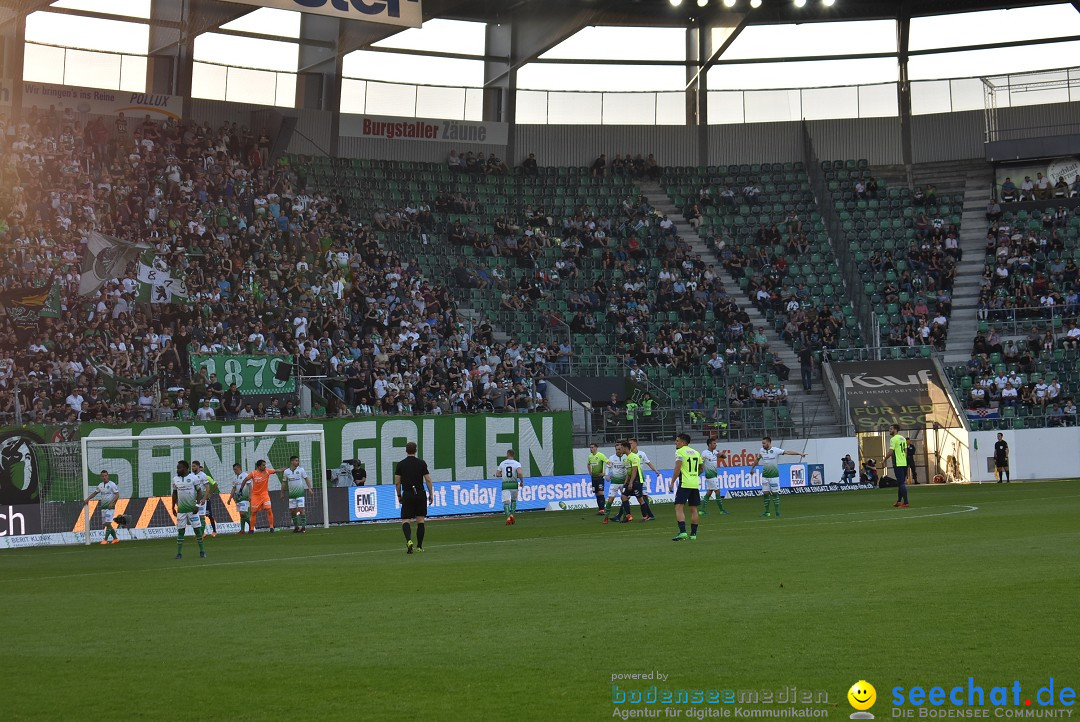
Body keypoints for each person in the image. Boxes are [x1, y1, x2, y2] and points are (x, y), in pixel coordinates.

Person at [750, 436, 806, 518]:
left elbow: (787, 452)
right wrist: (752, 468)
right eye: (762, 443)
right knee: (765, 493)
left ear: (769, 443)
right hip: (765, 476)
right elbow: (757, 459)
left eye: (764, 443)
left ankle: (777, 512)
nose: (763, 444)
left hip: (774, 476)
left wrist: (799, 453)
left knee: (775, 494)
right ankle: (767, 512)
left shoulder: (775, 450)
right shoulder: (761, 451)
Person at [395, 441, 434, 554]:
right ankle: (419, 546)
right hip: (420, 494)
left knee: (405, 520)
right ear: (416, 450)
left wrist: (399, 495)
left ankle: (409, 540)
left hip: (408, 493)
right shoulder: (421, 463)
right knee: (420, 520)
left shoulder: (401, 464)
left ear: (406, 450)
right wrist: (431, 493)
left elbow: (397, 482)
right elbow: (428, 479)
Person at [171, 460, 207, 559]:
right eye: (177, 468)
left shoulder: (193, 478)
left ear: (185, 468)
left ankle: (202, 551)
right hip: (181, 510)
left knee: (197, 530)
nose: (178, 469)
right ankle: (179, 553)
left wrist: (197, 505)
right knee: (181, 531)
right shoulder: (175, 479)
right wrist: (173, 506)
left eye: (180, 468)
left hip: (192, 509)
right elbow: (174, 494)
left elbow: (199, 492)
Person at [670, 434, 703, 541]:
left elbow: (677, 468)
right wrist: (694, 475)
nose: (676, 443)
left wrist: (672, 482)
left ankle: (683, 532)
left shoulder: (679, 452)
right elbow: (701, 468)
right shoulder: (696, 453)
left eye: (677, 441)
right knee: (693, 509)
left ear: (683, 442)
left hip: (684, 483)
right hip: (694, 483)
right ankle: (693, 534)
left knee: (678, 507)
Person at [619, 440, 655, 523]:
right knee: (623, 496)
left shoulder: (634, 457)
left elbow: (634, 471)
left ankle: (645, 516)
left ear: (625, 448)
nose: (620, 450)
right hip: (630, 481)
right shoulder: (626, 458)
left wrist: (631, 482)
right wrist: (626, 482)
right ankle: (628, 516)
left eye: (621, 448)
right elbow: (629, 472)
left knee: (640, 499)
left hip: (637, 481)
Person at [83, 469, 121, 545]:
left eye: (105, 476)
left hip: (110, 508)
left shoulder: (112, 484)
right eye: (103, 476)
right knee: (107, 524)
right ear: (101, 477)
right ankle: (116, 539)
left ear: (108, 476)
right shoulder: (100, 485)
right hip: (103, 507)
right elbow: (95, 493)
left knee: (107, 522)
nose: (104, 477)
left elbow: (117, 494)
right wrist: (87, 499)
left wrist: (112, 503)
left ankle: (105, 540)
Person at [282, 455, 313, 533]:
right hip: (291, 495)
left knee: (301, 509)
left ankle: (303, 527)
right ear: (292, 461)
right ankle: (296, 527)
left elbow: (306, 479)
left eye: (298, 460)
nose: (297, 462)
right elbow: (284, 483)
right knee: (292, 511)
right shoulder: (286, 472)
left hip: (300, 494)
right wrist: (282, 492)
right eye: (296, 460)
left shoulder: (301, 470)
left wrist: (309, 488)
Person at [699, 437, 730, 515]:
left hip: (714, 475)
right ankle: (722, 510)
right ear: (709, 444)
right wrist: (702, 469)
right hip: (710, 475)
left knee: (709, 492)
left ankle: (702, 510)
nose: (716, 444)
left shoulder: (715, 452)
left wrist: (721, 453)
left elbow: (724, 457)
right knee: (717, 491)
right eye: (714, 443)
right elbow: (701, 461)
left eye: (715, 443)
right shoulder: (704, 453)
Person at [246, 459, 278, 533]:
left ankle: (271, 527)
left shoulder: (267, 471)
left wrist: (286, 469)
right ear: (259, 466)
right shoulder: (253, 473)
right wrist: (241, 489)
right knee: (253, 512)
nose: (265, 466)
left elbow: (277, 470)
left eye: (265, 465)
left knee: (269, 509)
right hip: (255, 496)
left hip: (264, 495)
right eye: (263, 465)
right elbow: (245, 480)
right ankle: (251, 529)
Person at [883, 424, 910, 508]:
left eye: (891, 429)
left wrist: (884, 460)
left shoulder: (893, 439)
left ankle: (906, 502)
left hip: (898, 463)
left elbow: (891, 452)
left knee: (901, 483)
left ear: (895, 429)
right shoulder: (902, 438)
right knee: (900, 482)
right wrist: (904, 460)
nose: (889, 430)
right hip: (903, 463)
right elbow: (905, 452)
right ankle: (899, 501)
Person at [190, 461, 217, 538]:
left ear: (198, 466)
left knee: (202, 516)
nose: (193, 468)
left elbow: (207, 488)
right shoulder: (191, 475)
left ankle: (202, 534)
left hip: (201, 498)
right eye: (192, 466)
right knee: (195, 517)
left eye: (194, 466)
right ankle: (200, 533)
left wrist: (204, 498)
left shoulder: (203, 475)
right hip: (193, 499)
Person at [497, 449, 525, 525]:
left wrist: (504, 475)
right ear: (513, 455)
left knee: (506, 502)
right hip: (514, 484)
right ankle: (512, 514)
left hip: (505, 484)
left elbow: (497, 474)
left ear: (507, 455)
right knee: (513, 501)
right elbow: (519, 473)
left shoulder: (502, 463)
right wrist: (522, 481)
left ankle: (508, 517)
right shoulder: (517, 463)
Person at [603, 442, 628, 524]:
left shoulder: (626, 457)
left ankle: (625, 517)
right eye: (616, 449)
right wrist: (607, 475)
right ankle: (606, 518)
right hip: (614, 482)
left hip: (624, 482)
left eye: (619, 449)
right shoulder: (612, 458)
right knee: (610, 499)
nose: (618, 451)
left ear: (622, 449)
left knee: (625, 499)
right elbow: (608, 467)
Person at [585, 442, 608, 516]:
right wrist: (590, 472)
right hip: (593, 478)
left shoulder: (600, 455)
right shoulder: (590, 456)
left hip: (600, 477)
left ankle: (602, 509)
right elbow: (588, 464)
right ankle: (600, 509)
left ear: (596, 448)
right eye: (590, 447)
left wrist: (605, 473)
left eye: (592, 447)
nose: (591, 449)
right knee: (597, 493)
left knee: (601, 492)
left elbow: (608, 462)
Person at [229, 463, 251, 534]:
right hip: (238, 498)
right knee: (241, 515)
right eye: (234, 470)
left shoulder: (245, 475)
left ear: (239, 468)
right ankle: (242, 530)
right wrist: (230, 498)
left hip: (245, 498)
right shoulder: (234, 477)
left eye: (235, 469)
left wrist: (251, 495)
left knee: (243, 513)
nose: (234, 471)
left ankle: (252, 526)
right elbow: (233, 488)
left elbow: (250, 486)